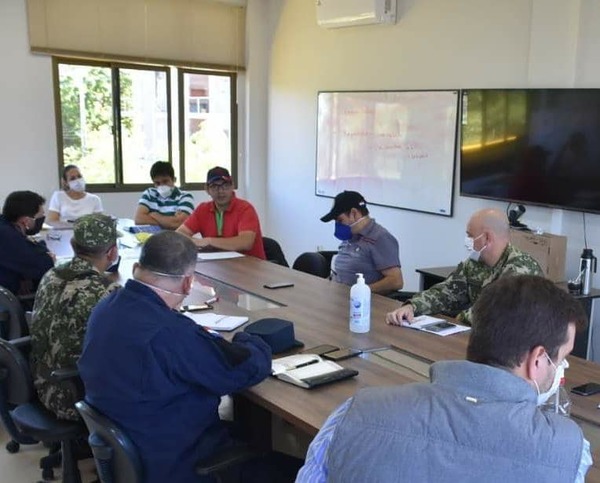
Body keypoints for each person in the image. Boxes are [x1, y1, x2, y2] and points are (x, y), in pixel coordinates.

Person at [298, 275, 592, 483]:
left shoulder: (353, 412)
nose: (562, 367)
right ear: (538, 360)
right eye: (562, 358)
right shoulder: (569, 451)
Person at [78, 231, 272, 483]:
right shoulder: (169, 331)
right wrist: (253, 342)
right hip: (177, 459)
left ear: (137, 267)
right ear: (187, 283)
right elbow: (238, 372)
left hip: (134, 443)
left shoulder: (105, 306)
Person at [386, 208, 543, 326]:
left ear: (487, 237)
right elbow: (447, 292)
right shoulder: (475, 262)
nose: (467, 240)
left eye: (470, 235)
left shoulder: (521, 269)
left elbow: (495, 313)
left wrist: (457, 319)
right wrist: (412, 306)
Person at [30, 213, 120, 420]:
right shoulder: (107, 291)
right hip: (75, 399)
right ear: (113, 252)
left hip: (38, 382)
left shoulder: (51, 274)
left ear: (72, 245)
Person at [320, 191, 403, 294]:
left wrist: (361, 291)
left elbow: (396, 281)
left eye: (340, 220)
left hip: (360, 302)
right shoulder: (351, 235)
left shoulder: (380, 238)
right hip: (338, 294)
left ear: (354, 213)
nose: (338, 225)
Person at [177, 166, 266, 259]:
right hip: (218, 265)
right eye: (215, 186)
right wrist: (195, 242)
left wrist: (209, 241)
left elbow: (246, 242)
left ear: (232, 186)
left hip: (251, 268)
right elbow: (179, 234)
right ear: (207, 189)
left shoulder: (245, 209)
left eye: (225, 186)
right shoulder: (202, 209)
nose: (221, 191)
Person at [0, 191, 54, 297]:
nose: (42, 219)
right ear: (26, 221)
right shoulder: (8, 236)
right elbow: (45, 264)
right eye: (40, 216)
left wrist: (25, 275)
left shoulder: (5, 224)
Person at [134, 161, 194, 229]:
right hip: (153, 238)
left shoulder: (185, 197)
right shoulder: (149, 194)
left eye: (165, 181)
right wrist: (170, 222)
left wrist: (155, 215)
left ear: (174, 180)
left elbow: (180, 223)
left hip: (175, 239)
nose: (162, 186)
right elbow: (139, 219)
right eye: (157, 183)